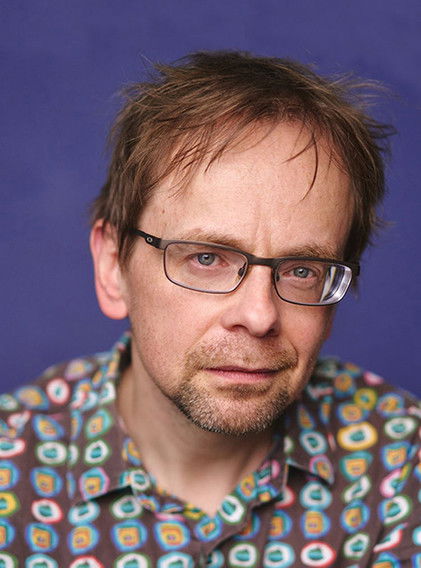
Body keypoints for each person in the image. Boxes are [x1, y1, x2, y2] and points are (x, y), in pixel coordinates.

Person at [0, 51, 419, 568]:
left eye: (302, 269)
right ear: (113, 266)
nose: (259, 316)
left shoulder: (402, 463)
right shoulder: (11, 471)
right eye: (206, 258)